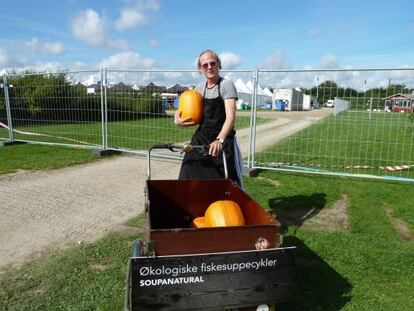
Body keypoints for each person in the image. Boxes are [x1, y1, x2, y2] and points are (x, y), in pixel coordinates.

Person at [174, 49, 243, 187]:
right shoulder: (198, 89)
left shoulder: (226, 85)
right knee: (189, 169)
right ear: (200, 69)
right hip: (202, 136)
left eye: (213, 63)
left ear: (219, 65)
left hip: (222, 137)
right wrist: (177, 119)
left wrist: (220, 140)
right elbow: (185, 113)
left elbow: (230, 118)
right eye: (205, 65)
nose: (209, 67)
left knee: (225, 180)